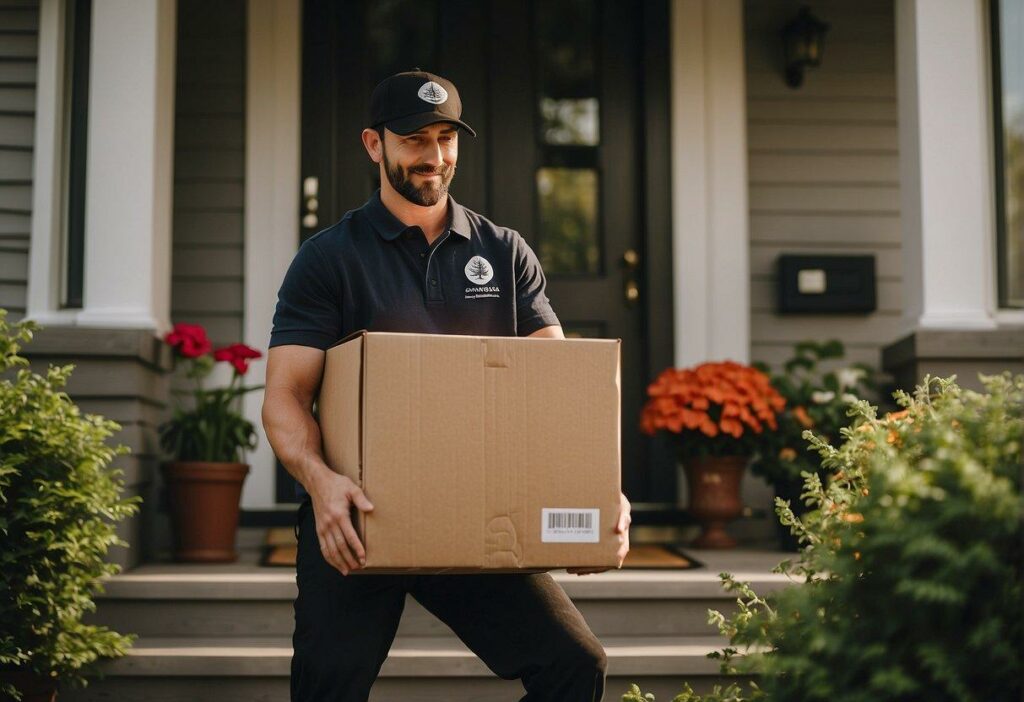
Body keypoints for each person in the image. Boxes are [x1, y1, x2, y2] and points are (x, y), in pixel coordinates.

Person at [262, 69, 631, 702]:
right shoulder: (329, 258)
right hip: (358, 519)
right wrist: (322, 486)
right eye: (413, 139)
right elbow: (285, 396)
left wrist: (598, 492)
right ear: (374, 145)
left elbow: (561, 391)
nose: (433, 157)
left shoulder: (505, 252)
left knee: (575, 665)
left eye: (445, 137)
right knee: (325, 691)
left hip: (472, 515)